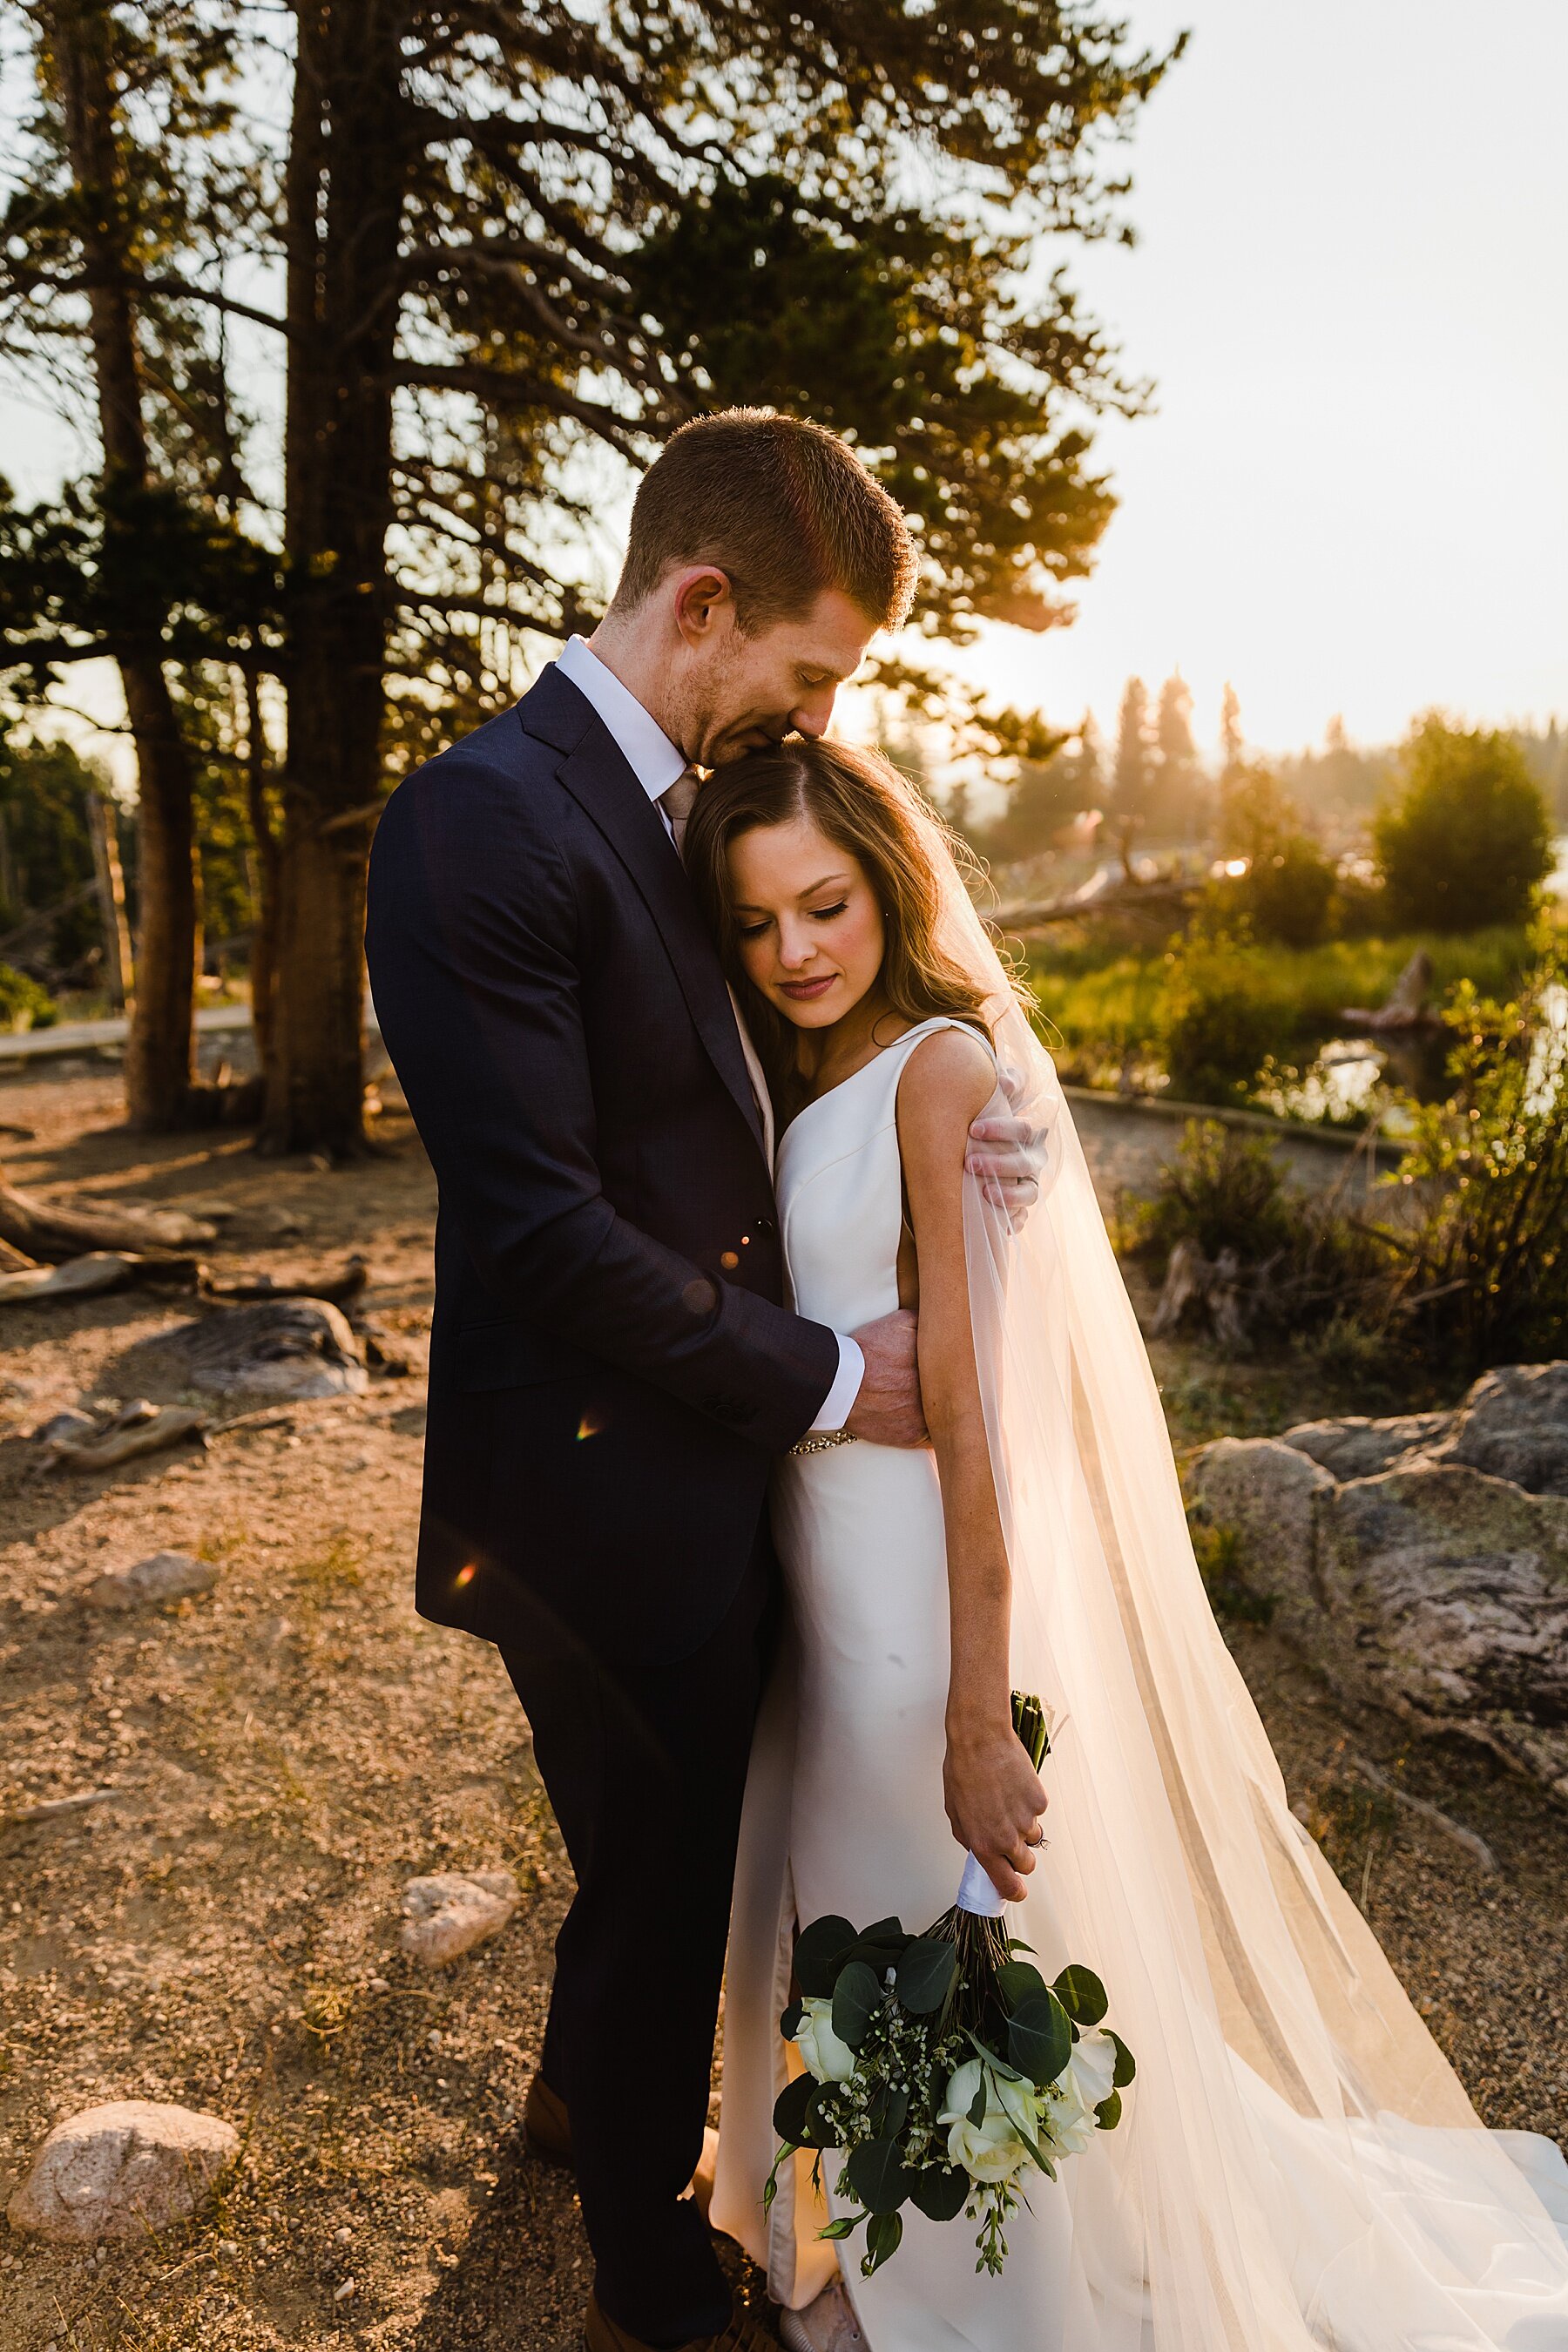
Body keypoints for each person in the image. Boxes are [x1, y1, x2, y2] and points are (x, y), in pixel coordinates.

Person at [688, 738, 1568, 2352]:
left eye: (822, 904)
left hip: (904, 1611)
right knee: (850, 1925)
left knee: (917, 1932)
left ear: (886, 880)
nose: (794, 951)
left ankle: (981, 2289)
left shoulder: (938, 1072)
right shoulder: (803, 1071)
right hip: (813, 1587)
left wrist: (975, 1703)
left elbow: (975, 1423)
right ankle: (871, 2213)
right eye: (752, 925)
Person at [363, 409, 1044, 2352]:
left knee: (662, 1865)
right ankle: (654, 2287)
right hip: (590, 1499)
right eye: (812, 668)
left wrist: (954, 1101)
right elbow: (545, 1229)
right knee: (663, 1883)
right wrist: (833, 1370)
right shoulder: (484, 814)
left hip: (705, 1471)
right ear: (707, 597)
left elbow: (766, 1059)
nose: (816, 711)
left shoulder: (674, 807)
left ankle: (586, 2098)